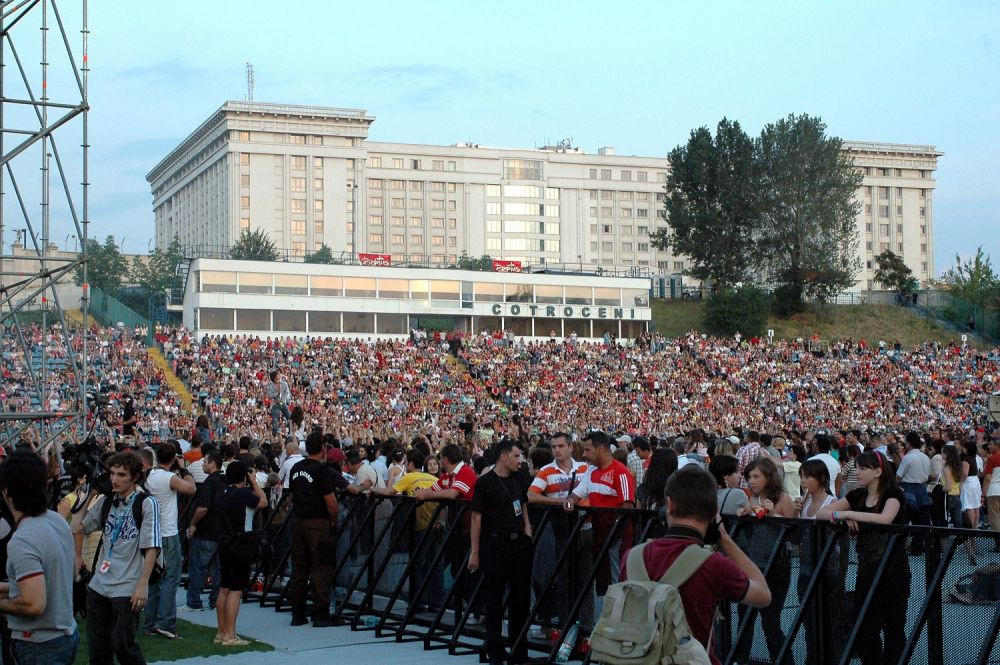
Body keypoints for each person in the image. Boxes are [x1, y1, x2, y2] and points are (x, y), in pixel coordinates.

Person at [618, 466, 771, 665]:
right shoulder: (711, 564)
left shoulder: (632, 557)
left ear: (669, 506)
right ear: (712, 512)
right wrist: (724, 537)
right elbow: (763, 595)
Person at [818, 451, 909, 665]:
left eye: (862, 468)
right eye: (856, 467)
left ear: (877, 472)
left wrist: (849, 515)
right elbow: (822, 513)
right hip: (867, 569)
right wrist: (841, 516)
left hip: (893, 570)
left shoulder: (893, 494)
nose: (856, 472)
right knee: (865, 626)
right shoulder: (857, 496)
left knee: (893, 627)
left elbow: (885, 518)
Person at [72, 451, 161, 665]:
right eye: (112, 474)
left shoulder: (146, 503)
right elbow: (76, 526)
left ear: (135, 477)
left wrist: (142, 585)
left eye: (121, 475)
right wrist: (91, 493)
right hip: (100, 584)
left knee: (124, 647)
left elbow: (153, 547)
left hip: (128, 586)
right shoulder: (107, 502)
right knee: (98, 651)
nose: (114, 479)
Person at [0, 451, 78, 665]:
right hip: (66, 634)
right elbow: (67, 573)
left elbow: (33, 604)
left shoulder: (23, 539)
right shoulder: (56, 520)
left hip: (39, 643)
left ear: (7, 492)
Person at [467, 440, 532, 665]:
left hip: (518, 544)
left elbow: (523, 505)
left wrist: (527, 530)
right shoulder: (484, 483)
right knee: (494, 599)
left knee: (521, 599)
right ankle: (495, 650)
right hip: (494, 545)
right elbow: (476, 518)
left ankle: (519, 651)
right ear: (504, 457)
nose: (520, 460)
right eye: (516, 456)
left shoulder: (518, 478)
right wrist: (474, 552)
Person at [526, 432, 592, 631]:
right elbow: (531, 495)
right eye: (554, 447)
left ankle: (586, 627)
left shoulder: (585, 468)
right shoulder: (546, 471)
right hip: (562, 531)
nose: (557, 450)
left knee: (585, 580)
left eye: (561, 446)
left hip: (584, 529)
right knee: (564, 579)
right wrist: (559, 502)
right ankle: (565, 626)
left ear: (571, 447)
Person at [567, 430, 635, 615]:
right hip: (599, 536)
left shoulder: (621, 472)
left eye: (588, 450)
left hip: (616, 537)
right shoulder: (591, 471)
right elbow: (576, 494)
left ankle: (619, 621)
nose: (584, 454)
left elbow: (628, 507)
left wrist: (615, 537)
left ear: (601, 448)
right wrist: (569, 502)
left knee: (616, 580)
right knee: (604, 581)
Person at [735, 457, 795, 665]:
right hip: (754, 566)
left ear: (768, 477)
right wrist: (744, 516)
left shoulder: (783, 499)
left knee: (771, 621)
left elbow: (795, 537)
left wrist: (775, 516)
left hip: (778, 566)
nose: (751, 481)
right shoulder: (751, 500)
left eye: (756, 476)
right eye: (749, 477)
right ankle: (741, 659)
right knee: (745, 619)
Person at [142, 443, 196, 639]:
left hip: (151, 533)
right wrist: (183, 467)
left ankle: (150, 622)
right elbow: (191, 488)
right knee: (170, 578)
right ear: (173, 458)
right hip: (167, 533)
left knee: (153, 579)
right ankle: (165, 622)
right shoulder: (168, 477)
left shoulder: (148, 476)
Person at [288, 431, 339, 627]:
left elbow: (292, 496)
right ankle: (320, 614)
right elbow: (331, 503)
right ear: (324, 448)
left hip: (298, 520)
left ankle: (297, 614)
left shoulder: (296, 468)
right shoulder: (321, 471)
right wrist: (333, 521)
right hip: (318, 523)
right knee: (321, 568)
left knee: (299, 569)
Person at [213, 461, 266, 646]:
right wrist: (254, 481)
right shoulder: (243, 493)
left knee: (224, 588)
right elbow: (263, 501)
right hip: (240, 542)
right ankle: (230, 635)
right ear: (243, 477)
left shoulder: (222, 492)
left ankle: (221, 632)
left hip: (224, 542)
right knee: (236, 590)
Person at [794, 459, 839, 665]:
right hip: (806, 566)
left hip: (827, 568)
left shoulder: (832, 502)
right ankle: (812, 657)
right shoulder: (806, 502)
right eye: (801, 476)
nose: (803, 481)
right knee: (808, 619)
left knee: (826, 620)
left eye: (807, 477)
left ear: (820, 478)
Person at [182, 452, 224, 612]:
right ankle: (215, 600)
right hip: (221, 530)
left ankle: (193, 602)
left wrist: (192, 524)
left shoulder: (209, 483)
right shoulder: (224, 480)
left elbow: (203, 508)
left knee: (198, 567)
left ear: (212, 463)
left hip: (207, 531)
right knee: (218, 569)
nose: (202, 464)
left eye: (205, 462)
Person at [896, 431, 932, 555]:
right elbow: (928, 476)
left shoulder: (908, 457)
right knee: (921, 522)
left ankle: (899, 547)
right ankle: (916, 548)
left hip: (908, 490)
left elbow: (898, 477)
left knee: (904, 521)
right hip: (922, 490)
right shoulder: (926, 457)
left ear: (909, 443)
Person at [960, 440, 983, 565]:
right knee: (976, 508)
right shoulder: (975, 458)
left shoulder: (966, 460)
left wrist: (959, 483)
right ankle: (974, 537)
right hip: (975, 483)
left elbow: (964, 474)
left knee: (969, 507)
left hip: (968, 483)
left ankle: (971, 535)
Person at [708, 454, 748, 519]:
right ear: (725, 476)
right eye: (736, 471)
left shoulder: (706, 494)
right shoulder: (738, 494)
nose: (740, 476)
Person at [982, 437, 1000, 550]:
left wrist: (983, 494)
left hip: (994, 491)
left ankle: (998, 544)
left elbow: (988, 478)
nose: (989, 446)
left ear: (997, 446)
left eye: (991, 444)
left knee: (995, 518)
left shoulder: (992, 459)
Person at [268, 370, 292, 435]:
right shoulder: (270, 385)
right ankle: (275, 435)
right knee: (275, 420)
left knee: (290, 418)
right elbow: (270, 395)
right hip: (275, 404)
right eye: (278, 374)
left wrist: (282, 399)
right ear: (275, 377)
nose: (280, 375)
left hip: (283, 403)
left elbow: (287, 392)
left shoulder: (284, 383)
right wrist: (276, 393)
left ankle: (290, 433)